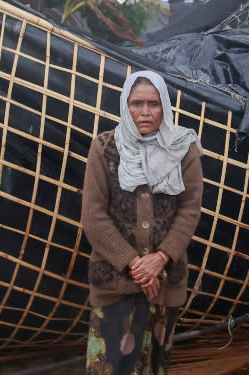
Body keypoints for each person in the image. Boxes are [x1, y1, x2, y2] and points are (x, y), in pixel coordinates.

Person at [80, 70, 203, 375]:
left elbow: (189, 209)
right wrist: (135, 264)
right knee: (110, 367)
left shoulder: (183, 149)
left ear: (165, 106)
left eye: (154, 103)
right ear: (124, 105)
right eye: (136, 103)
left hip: (165, 280)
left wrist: (160, 259)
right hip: (115, 282)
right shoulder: (105, 147)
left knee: (155, 365)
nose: (145, 112)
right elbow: (93, 216)